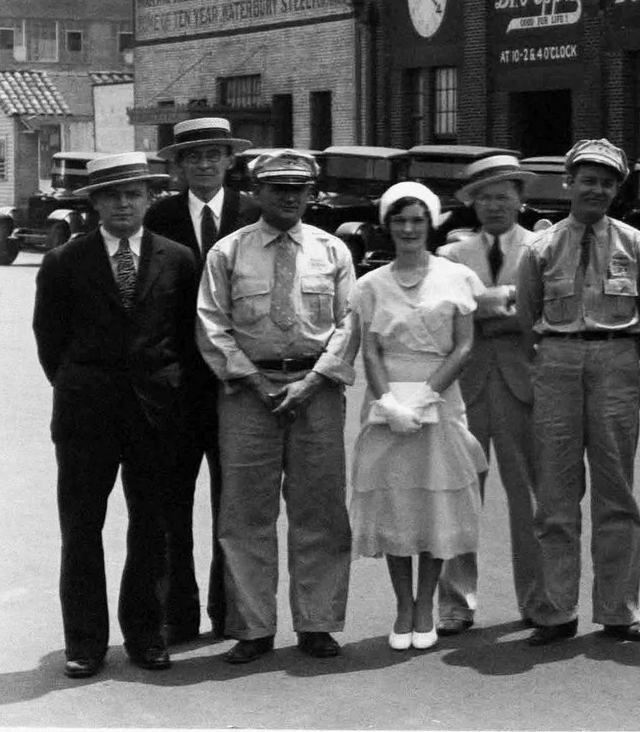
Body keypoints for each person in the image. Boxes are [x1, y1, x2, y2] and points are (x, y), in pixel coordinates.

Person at [194, 148, 358, 664]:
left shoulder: (333, 252)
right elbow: (211, 323)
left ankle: (318, 622)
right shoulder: (228, 252)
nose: (289, 197)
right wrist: (253, 381)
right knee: (245, 513)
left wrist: (312, 382)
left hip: (317, 392)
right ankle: (252, 627)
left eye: (298, 189)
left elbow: (349, 323)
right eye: (278, 188)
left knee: (321, 510)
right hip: (248, 395)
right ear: (256, 193)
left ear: (312, 194)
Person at [35, 152, 194, 677]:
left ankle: (146, 636)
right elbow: (50, 342)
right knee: (81, 528)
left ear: (151, 198)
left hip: (155, 415)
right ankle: (84, 643)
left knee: (151, 527)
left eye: (133, 193)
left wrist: (166, 393)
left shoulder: (177, 258)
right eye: (111, 195)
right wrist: (82, 386)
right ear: (94, 203)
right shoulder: (64, 261)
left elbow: (186, 340)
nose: (123, 203)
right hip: (86, 416)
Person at [509, 138, 640, 645]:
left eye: (607, 181)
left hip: (616, 361)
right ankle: (556, 611)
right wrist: (560, 357)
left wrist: (616, 352)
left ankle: (618, 610)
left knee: (617, 491)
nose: (597, 188)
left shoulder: (636, 245)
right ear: (568, 183)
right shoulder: (540, 247)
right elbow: (526, 318)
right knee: (555, 494)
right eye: (588, 179)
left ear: (617, 189)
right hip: (557, 363)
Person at [335, 182, 489, 652]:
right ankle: (403, 605)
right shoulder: (369, 285)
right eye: (399, 220)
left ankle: (427, 604)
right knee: (396, 504)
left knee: (435, 502)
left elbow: (464, 345)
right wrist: (389, 403)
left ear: (431, 224)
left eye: (417, 220)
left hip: (439, 400)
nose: (408, 229)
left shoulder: (456, 278)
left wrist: (425, 397)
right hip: (388, 408)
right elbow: (372, 349)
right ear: (386, 225)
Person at [142, 116, 258, 643]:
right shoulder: (158, 219)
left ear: (230, 160)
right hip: (177, 388)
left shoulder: (255, 215)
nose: (205, 164)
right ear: (178, 166)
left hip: (239, 384)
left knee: (233, 505)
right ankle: (177, 615)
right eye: (194, 157)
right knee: (172, 503)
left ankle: (231, 612)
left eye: (214, 154)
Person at [435, 155, 552, 635]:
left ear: (521, 199)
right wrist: (503, 301)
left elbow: (538, 313)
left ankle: (539, 600)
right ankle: (456, 602)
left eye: (504, 195)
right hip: (466, 384)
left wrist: (482, 305)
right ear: (472, 204)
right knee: (460, 494)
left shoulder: (543, 249)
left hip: (525, 383)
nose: (494, 205)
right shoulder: (449, 256)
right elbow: (445, 315)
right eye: (484, 196)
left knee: (530, 497)